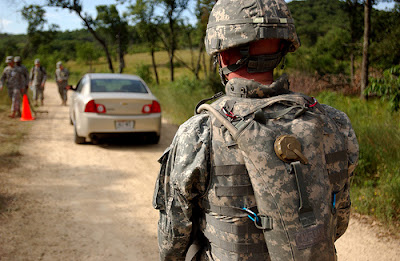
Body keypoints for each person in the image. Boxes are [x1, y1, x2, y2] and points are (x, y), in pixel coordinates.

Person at [153, 1, 359, 261]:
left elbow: (173, 238)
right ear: (284, 46)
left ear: (223, 55)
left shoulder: (199, 133)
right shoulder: (335, 123)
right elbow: (336, 222)